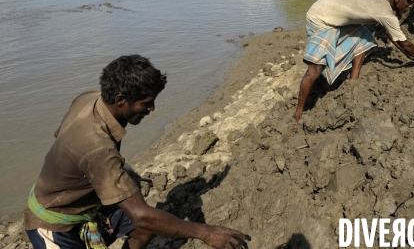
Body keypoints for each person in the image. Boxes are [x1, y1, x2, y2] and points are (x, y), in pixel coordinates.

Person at [24, 55, 250, 249]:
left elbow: (61, 136)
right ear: (121, 101)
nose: (152, 109)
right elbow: (141, 215)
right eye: (146, 103)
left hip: (88, 201)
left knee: (142, 230)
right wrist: (207, 233)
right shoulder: (98, 147)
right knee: (142, 218)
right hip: (54, 222)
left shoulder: (89, 98)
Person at [292, 0, 414, 122]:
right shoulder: (385, 13)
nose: (412, 6)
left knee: (363, 38)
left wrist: (411, 54)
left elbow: (392, 35)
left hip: (329, 9)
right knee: (314, 70)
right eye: (411, 2)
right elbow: (404, 44)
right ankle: (298, 114)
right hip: (320, 17)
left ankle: (353, 82)